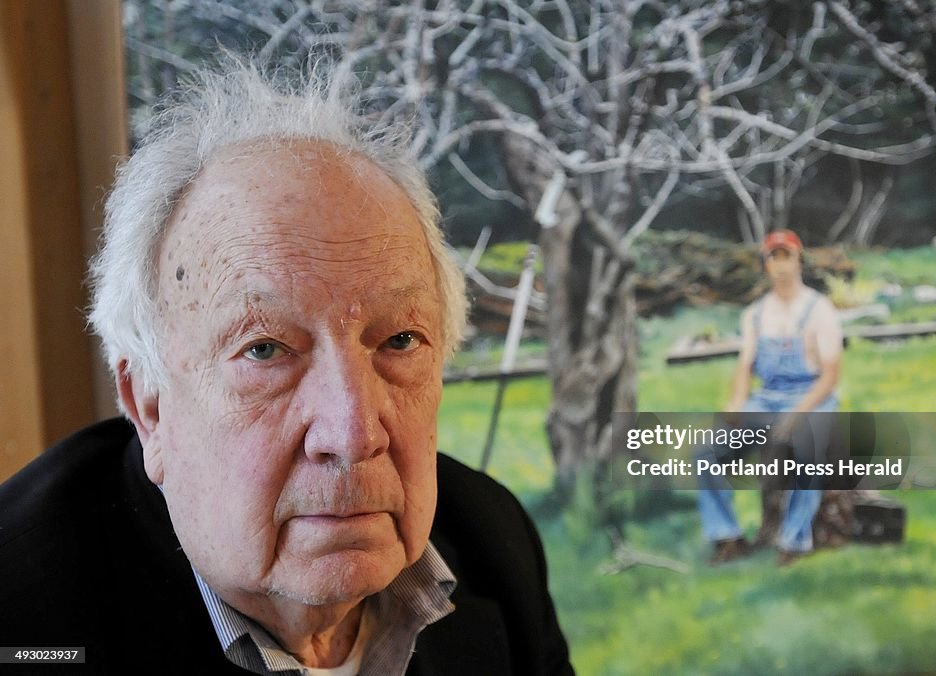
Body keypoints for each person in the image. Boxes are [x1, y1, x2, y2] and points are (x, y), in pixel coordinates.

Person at [0, 60, 573, 676]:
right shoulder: (25, 616)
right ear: (151, 406)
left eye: (400, 340)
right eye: (265, 350)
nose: (353, 435)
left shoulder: (493, 544)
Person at [695, 229, 842, 566]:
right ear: (765, 265)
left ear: (798, 260)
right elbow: (745, 366)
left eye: (785, 257)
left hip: (811, 396)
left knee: (807, 447)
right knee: (706, 452)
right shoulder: (756, 315)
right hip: (768, 398)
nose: (780, 266)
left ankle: (794, 540)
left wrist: (798, 414)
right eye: (772, 258)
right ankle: (727, 536)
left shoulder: (819, 310)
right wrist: (735, 403)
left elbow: (831, 376)